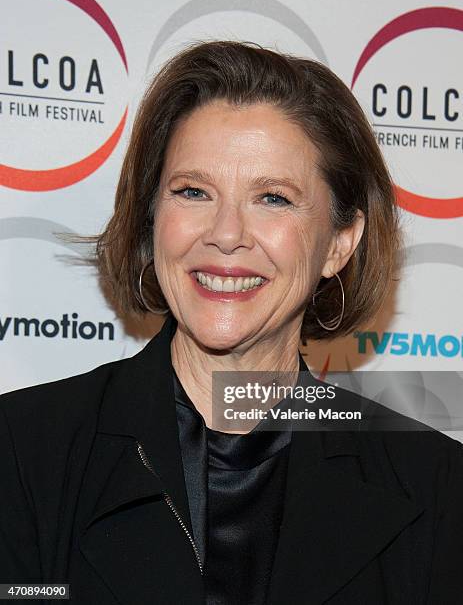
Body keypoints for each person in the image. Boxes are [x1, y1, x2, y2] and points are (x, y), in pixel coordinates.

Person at [1, 40, 462, 605]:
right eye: (193, 192)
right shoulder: (21, 452)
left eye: (272, 198)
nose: (225, 233)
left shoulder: (437, 485)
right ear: (153, 219)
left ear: (340, 242)